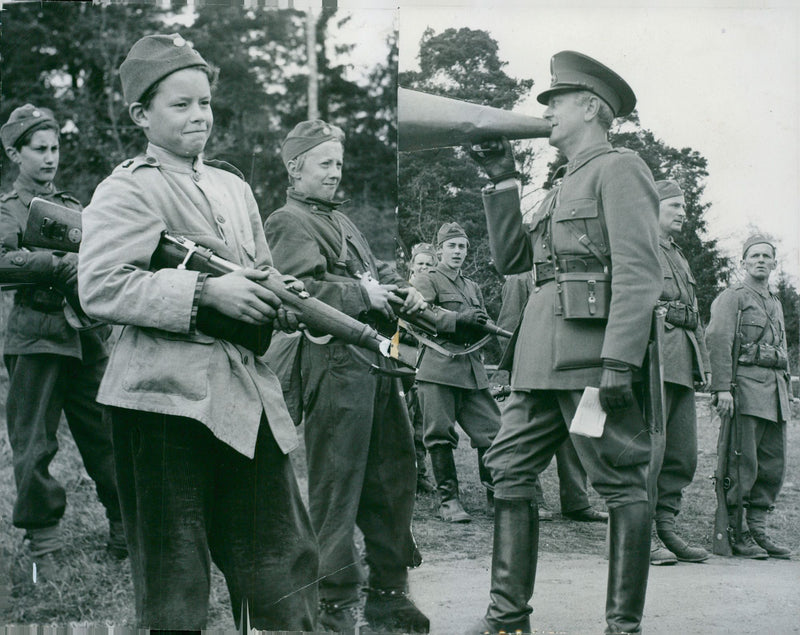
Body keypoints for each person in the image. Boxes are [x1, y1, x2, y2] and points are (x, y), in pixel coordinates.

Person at [77, 34, 318, 630]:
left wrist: (279, 298)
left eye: (205, 103)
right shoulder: (128, 187)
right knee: (174, 574)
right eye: (180, 105)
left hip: (242, 396)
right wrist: (205, 292)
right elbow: (101, 286)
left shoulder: (234, 188)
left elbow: (260, 270)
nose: (199, 116)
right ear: (142, 115)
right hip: (160, 402)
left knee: (280, 560)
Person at [465, 50, 662, 635]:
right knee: (509, 468)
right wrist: (502, 179)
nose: (546, 111)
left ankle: (622, 628)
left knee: (619, 480)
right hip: (538, 360)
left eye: (557, 102)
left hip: (591, 363)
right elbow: (513, 262)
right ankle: (507, 619)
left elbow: (638, 270)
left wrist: (620, 359)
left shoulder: (619, 168)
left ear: (592, 108)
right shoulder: (561, 183)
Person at [264, 119, 430, 633]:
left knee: (394, 474)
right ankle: (332, 604)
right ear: (295, 168)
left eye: (339, 163)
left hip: (377, 362)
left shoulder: (341, 221)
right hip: (335, 363)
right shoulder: (288, 221)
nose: (336, 173)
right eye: (325, 164)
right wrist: (365, 297)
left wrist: (402, 288)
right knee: (339, 485)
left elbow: (371, 273)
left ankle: (388, 592)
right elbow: (299, 293)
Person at [0, 104, 125, 581]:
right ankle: (44, 543)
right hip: (35, 337)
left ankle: (122, 526)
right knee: (34, 445)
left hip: (87, 336)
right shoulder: (8, 210)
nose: (50, 158)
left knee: (109, 436)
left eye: (55, 148)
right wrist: (54, 265)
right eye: (39, 149)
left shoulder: (75, 208)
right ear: (15, 153)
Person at [706, 234, 793, 559]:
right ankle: (737, 532)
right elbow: (718, 339)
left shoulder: (775, 302)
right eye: (753, 255)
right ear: (743, 261)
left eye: (766, 256)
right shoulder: (733, 297)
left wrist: (789, 395)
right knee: (743, 465)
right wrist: (721, 388)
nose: (760, 260)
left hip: (775, 395)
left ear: (773, 263)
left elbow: (781, 350)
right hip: (745, 390)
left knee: (772, 466)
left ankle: (758, 530)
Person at [497, 272, 608, 523]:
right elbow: (508, 327)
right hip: (534, 369)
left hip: (568, 365)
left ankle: (577, 501)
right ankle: (533, 499)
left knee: (575, 437)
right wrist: (517, 370)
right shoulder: (521, 278)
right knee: (529, 440)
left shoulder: (571, 269)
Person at [411, 222, 500, 523]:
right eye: (452, 246)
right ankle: (449, 501)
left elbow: (481, 323)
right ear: (439, 251)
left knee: (492, 431)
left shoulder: (472, 286)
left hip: (471, 370)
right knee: (439, 436)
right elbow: (416, 315)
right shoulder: (427, 279)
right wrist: (458, 319)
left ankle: (495, 498)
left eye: (462, 246)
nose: (458, 252)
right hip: (439, 368)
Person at [649, 180, 711, 565]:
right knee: (648, 453)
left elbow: (695, 314)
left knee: (681, 453)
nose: (682, 212)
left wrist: (701, 363)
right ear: (653, 207)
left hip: (682, 363)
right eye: (674, 205)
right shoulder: (640, 247)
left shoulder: (679, 256)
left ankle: (666, 526)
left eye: (683, 207)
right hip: (653, 360)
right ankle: (637, 534)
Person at [405, 242, 437, 495]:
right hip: (401, 358)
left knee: (422, 422)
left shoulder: (435, 290)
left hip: (426, 361)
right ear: (412, 266)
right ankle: (402, 473)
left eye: (429, 264)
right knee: (402, 417)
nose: (425, 268)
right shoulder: (401, 289)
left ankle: (420, 474)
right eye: (421, 264)